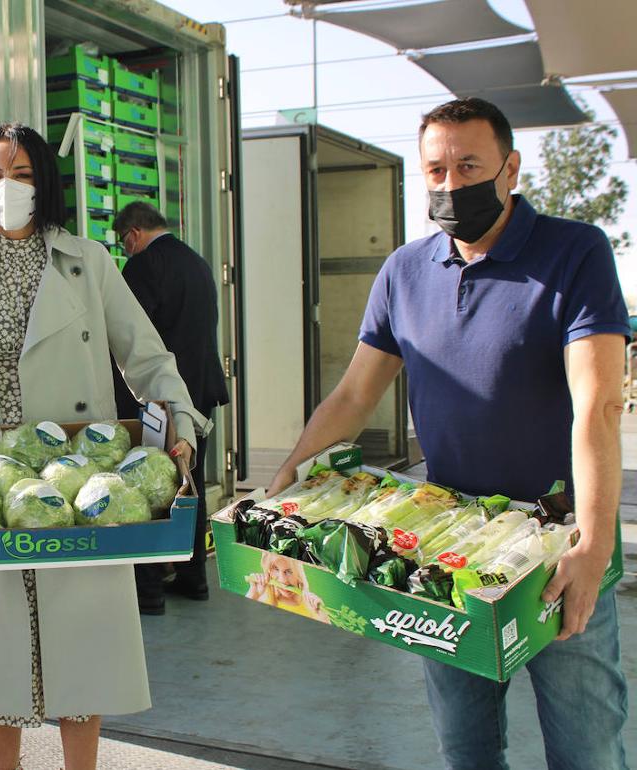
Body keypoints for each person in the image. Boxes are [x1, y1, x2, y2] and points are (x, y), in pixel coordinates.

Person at [268, 98, 629, 770]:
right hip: (448, 552)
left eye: (469, 166)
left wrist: (595, 542)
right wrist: (288, 476)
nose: (450, 185)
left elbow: (599, 404)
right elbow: (353, 395)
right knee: (464, 749)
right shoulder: (405, 272)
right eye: (435, 169)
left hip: (559, 548)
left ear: (511, 168)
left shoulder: (574, 253)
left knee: (588, 747)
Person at [0, 123, 209, 770]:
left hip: (76, 482)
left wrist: (178, 425)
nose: (8, 188)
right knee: (0, 660)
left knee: (81, 654)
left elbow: (148, 359)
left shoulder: (88, 262)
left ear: (46, 182)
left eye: (23, 174)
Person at [112, 202, 229, 614]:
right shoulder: (197, 263)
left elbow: (131, 342)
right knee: (188, 488)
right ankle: (193, 577)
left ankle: (148, 592)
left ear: (132, 236)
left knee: (148, 489)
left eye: (124, 245)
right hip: (200, 396)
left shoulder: (142, 269)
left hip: (158, 402)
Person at [244, 552, 330, 624]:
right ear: (268, 571)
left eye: (289, 571)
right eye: (276, 569)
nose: (283, 580)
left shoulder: (313, 606)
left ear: (299, 573)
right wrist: (253, 594)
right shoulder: (263, 598)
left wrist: (323, 619)